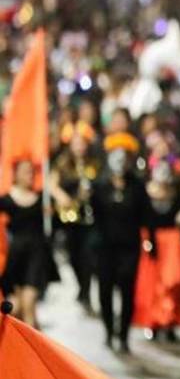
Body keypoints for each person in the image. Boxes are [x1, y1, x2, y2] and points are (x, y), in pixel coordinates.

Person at [91, 132, 149, 353]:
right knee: (105, 290)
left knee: (127, 291)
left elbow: (145, 215)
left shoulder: (137, 186)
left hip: (129, 248)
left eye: (124, 156)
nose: (120, 161)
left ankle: (123, 335)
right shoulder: (99, 186)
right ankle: (108, 331)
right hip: (105, 247)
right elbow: (93, 217)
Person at [132, 155, 180, 339]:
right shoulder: (145, 193)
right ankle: (153, 321)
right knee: (152, 284)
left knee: (173, 282)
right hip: (152, 240)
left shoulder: (179, 194)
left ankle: (170, 321)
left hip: (173, 243)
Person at [49, 121, 101, 313]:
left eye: (82, 142)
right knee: (73, 256)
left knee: (88, 256)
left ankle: (86, 292)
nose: (79, 146)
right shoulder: (63, 163)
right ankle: (81, 286)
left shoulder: (93, 163)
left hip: (90, 218)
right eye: (76, 142)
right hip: (70, 218)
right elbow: (52, 184)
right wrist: (63, 197)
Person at [0, 158, 54, 327]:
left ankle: (33, 350)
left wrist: (53, 188)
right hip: (15, 257)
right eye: (25, 171)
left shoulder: (42, 198)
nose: (29, 175)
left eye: (31, 171)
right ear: (16, 174)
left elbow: (66, 206)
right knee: (17, 309)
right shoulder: (7, 199)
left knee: (29, 302)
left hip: (36, 255)